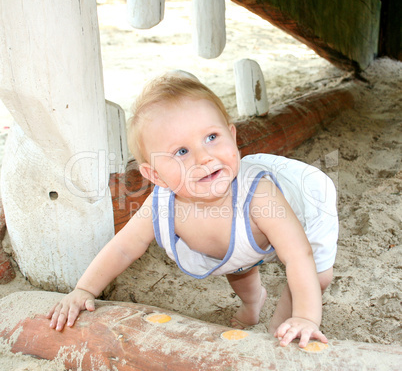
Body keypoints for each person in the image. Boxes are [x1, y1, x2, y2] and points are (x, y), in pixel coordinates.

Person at [47, 72, 338, 348]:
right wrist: (84, 290)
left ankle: (283, 326)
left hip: (305, 203)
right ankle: (253, 302)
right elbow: (123, 248)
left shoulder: (262, 196)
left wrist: (306, 317)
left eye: (212, 137)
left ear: (232, 136)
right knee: (238, 264)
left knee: (315, 276)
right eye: (181, 152)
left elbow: (298, 255)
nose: (204, 156)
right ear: (156, 176)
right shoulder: (162, 206)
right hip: (245, 241)